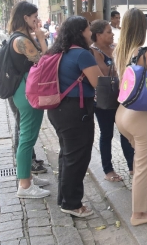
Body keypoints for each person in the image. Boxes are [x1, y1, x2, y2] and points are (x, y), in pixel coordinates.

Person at [114, 8, 147, 226]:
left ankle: (145, 193)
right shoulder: (146, 53)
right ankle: (139, 214)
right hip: (142, 116)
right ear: (142, 27)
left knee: (139, 161)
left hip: (122, 114)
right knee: (144, 165)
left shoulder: (120, 50)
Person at [46, 16, 103, 217]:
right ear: (80, 32)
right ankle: (72, 204)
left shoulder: (58, 50)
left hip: (57, 109)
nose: (90, 33)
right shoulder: (82, 55)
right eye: (88, 30)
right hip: (75, 111)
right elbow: (99, 83)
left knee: (68, 154)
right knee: (78, 157)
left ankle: (65, 198)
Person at [8, 2, 51, 199]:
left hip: (29, 90)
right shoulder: (20, 40)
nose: (37, 19)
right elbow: (43, 61)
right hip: (26, 92)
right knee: (26, 138)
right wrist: (41, 39)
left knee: (30, 137)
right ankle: (24, 185)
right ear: (25, 17)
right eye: (34, 15)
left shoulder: (23, 38)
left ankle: (28, 178)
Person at [90, 20, 134, 182]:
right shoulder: (93, 52)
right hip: (104, 99)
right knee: (106, 133)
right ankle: (108, 170)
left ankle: (132, 166)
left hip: (121, 96)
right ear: (98, 35)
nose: (113, 33)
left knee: (125, 131)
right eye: (109, 31)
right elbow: (103, 74)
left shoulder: (116, 48)